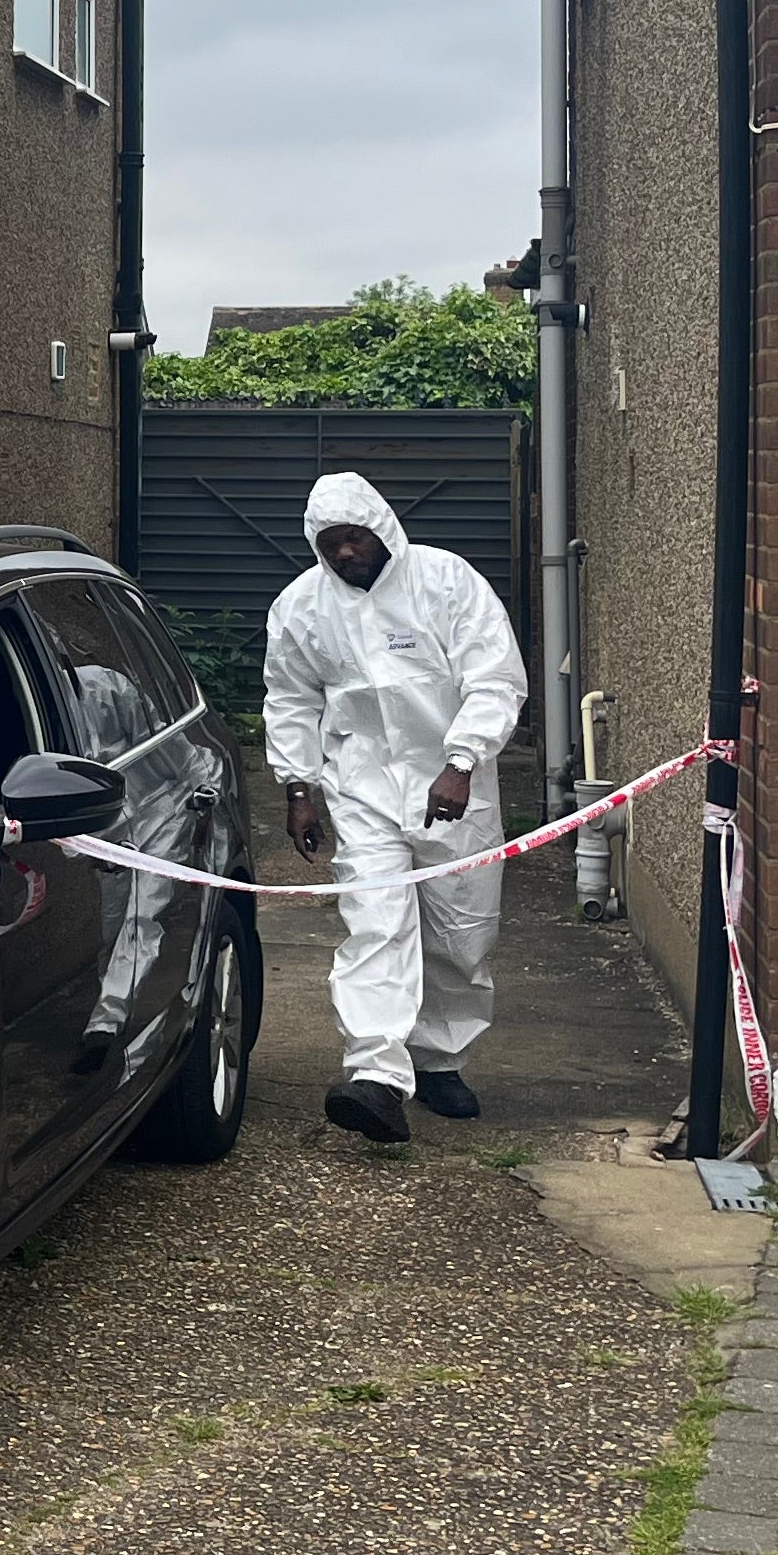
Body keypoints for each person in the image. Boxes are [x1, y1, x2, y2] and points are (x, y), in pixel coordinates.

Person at [263, 470, 526, 1148]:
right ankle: (375, 1076)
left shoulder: (445, 582)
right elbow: (290, 698)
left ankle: (439, 1058)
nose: (346, 553)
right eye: (330, 544)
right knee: (374, 922)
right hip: (364, 789)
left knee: (461, 933)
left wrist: (463, 760)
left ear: (381, 527)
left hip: (454, 789)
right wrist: (299, 788)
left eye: (354, 537)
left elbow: (495, 678)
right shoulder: (300, 607)